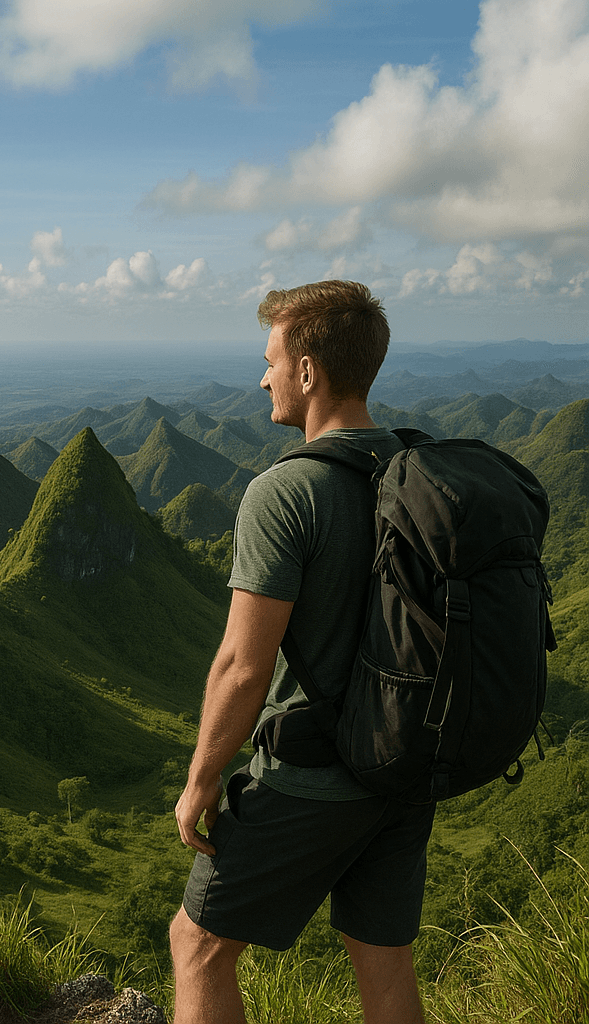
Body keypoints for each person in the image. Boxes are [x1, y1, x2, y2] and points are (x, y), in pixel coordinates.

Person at [170, 280, 435, 1024]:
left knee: (197, 945)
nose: (262, 378)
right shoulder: (420, 472)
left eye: (271, 361)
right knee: (383, 963)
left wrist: (202, 778)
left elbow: (242, 665)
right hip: (406, 770)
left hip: (313, 777)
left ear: (309, 371)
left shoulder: (285, 493)